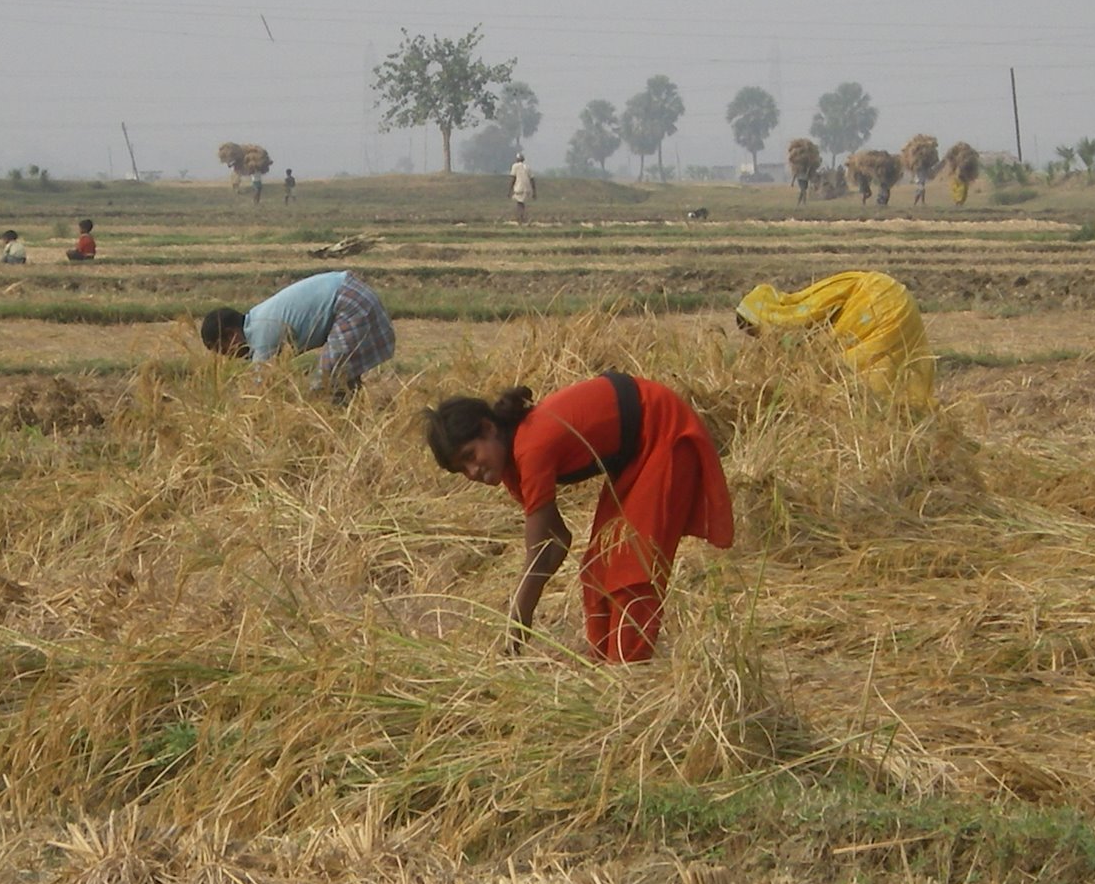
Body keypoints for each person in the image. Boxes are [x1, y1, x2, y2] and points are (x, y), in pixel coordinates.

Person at [425, 374, 733, 663]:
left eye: (470, 456)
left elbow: (538, 554)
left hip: (662, 429)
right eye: (461, 470)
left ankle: (626, 673)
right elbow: (557, 541)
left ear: (489, 429)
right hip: (633, 452)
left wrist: (515, 631)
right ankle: (601, 662)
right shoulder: (512, 469)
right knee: (598, 566)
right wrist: (520, 623)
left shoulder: (531, 447)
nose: (473, 472)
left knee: (631, 566)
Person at [736, 271, 935, 409]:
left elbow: (802, 343)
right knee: (893, 382)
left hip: (877, 301)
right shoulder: (803, 308)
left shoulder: (794, 315)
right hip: (894, 305)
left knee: (855, 386)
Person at [200, 270, 394, 398]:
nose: (227, 356)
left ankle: (340, 423)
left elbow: (260, 391)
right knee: (342, 376)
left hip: (348, 301)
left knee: (325, 383)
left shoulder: (261, 332)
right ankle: (353, 417)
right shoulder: (257, 321)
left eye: (221, 349)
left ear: (231, 335)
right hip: (349, 290)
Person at [508, 152, 536, 223]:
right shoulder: (527, 167)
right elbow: (532, 179)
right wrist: (534, 191)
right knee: (522, 203)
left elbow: (513, 178)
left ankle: (520, 217)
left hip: (519, 187)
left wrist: (510, 190)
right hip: (527, 188)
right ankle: (522, 217)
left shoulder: (515, 166)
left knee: (519, 203)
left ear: (517, 159)